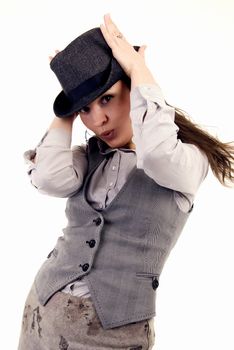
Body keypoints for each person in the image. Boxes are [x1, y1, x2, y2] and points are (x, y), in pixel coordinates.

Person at [18, 14, 234, 350]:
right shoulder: (86, 157)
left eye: (107, 98)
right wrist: (67, 107)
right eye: (85, 110)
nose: (98, 120)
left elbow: (157, 155)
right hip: (42, 312)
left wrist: (138, 70)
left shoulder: (188, 161)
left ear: (134, 91)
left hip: (116, 335)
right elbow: (47, 178)